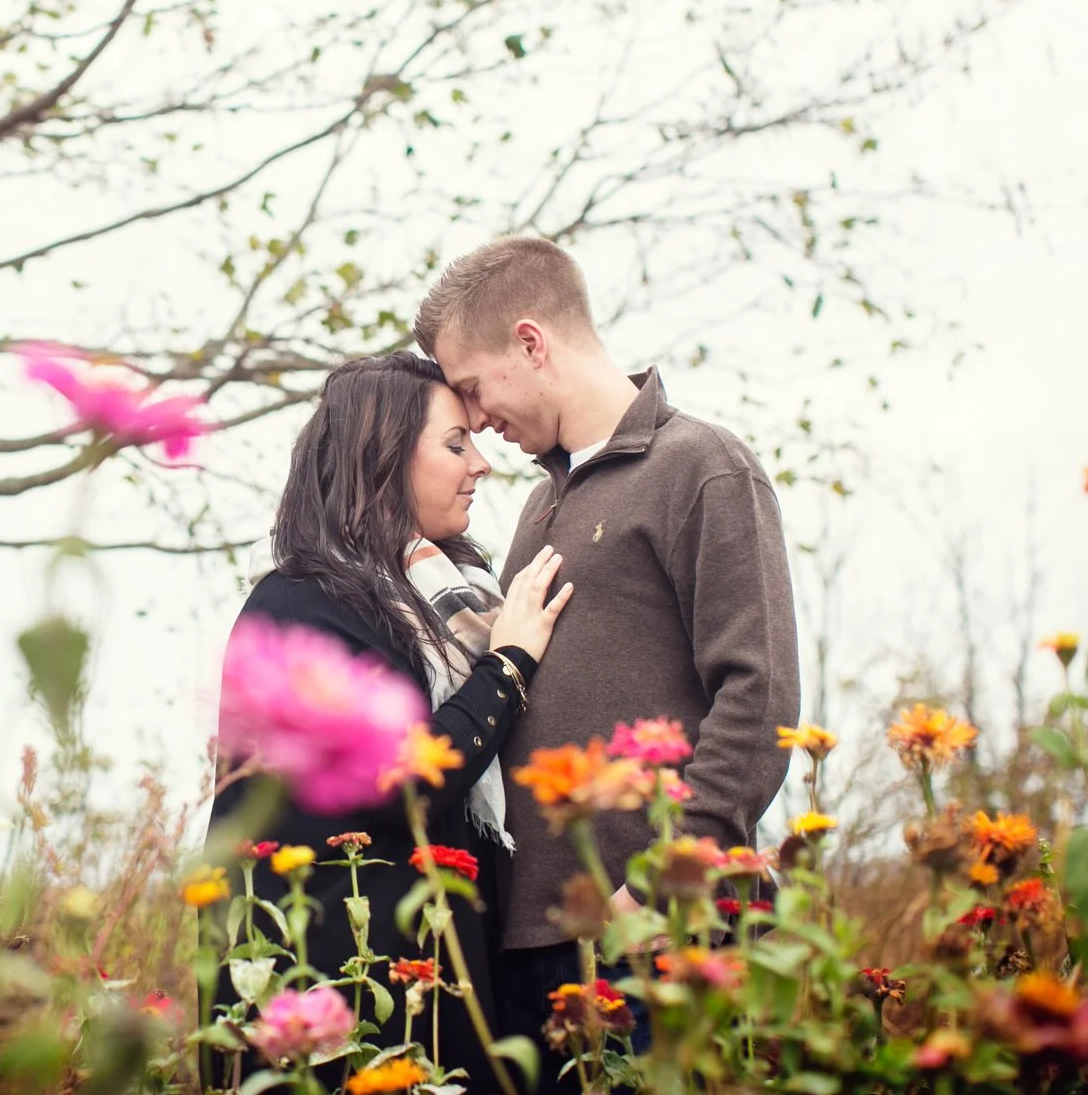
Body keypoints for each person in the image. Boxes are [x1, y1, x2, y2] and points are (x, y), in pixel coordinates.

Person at [414, 237, 801, 1093]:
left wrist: (660, 888)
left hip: (664, 934)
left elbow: (761, 697)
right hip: (538, 953)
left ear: (531, 341)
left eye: (473, 388)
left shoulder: (701, 467)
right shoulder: (535, 506)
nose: (475, 420)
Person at [207, 352, 574, 1094]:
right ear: (382, 459)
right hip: (331, 1000)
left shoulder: (438, 603)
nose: (481, 464)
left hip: (432, 986)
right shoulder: (299, 608)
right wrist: (504, 669)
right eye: (454, 444)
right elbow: (398, 777)